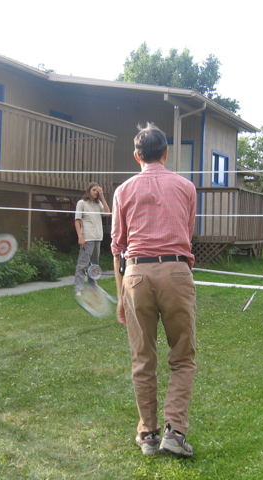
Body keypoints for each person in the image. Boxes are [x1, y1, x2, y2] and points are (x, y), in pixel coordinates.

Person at [111, 123, 197, 457]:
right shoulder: (186, 187)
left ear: (137, 156)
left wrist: (121, 297)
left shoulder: (123, 191)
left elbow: (117, 247)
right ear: (166, 152)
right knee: (183, 357)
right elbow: (188, 236)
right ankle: (175, 433)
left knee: (142, 358)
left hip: (135, 275)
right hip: (176, 270)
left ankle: (148, 434)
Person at [73, 182, 110, 295]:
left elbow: (108, 213)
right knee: (83, 264)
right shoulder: (82, 203)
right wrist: (80, 237)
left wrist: (102, 197)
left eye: (97, 191)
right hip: (87, 237)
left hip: (98, 237)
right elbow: (77, 221)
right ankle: (78, 288)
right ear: (89, 190)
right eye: (94, 190)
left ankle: (92, 285)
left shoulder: (98, 203)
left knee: (94, 265)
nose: (96, 192)